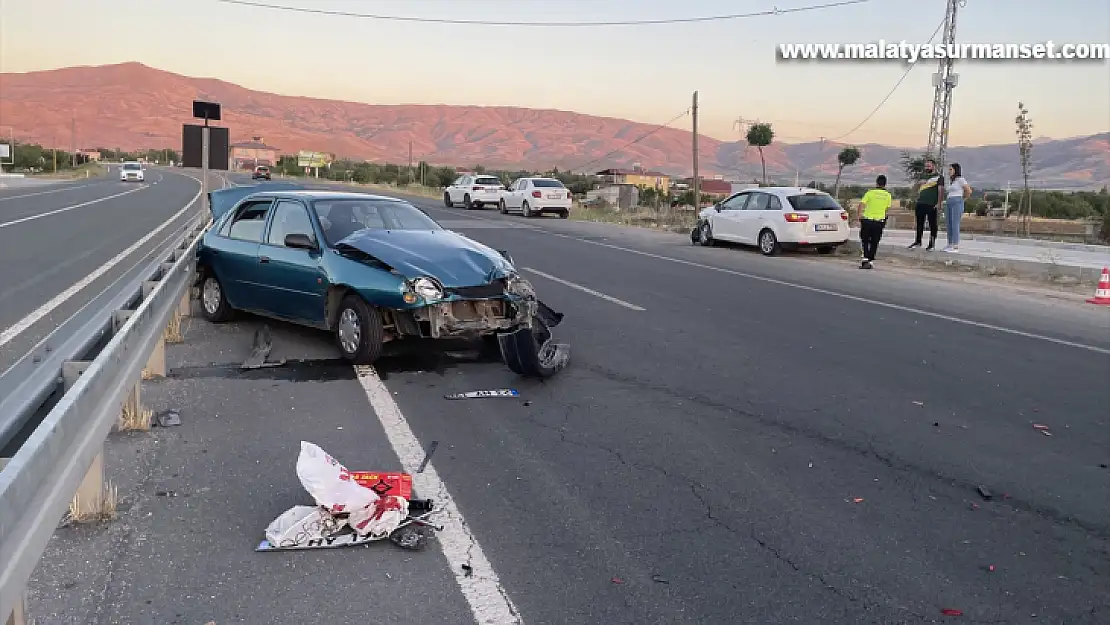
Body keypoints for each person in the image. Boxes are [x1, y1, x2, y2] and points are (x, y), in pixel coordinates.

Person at [857, 175, 892, 269]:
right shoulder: (888, 195)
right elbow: (887, 210)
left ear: (876, 183)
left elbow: (861, 204)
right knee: (875, 241)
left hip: (867, 220)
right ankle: (870, 260)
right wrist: (884, 219)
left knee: (865, 240)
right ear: (885, 184)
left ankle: (865, 259)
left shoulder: (870, 193)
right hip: (879, 222)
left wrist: (859, 215)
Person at [909, 158, 943, 250]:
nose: (927, 167)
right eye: (926, 165)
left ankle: (931, 244)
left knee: (932, 224)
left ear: (934, 166)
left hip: (931, 204)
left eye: (929, 165)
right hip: (920, 203)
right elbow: (914, 189)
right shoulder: (922, 176)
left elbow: (940, 190)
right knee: (919, 223)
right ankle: (918, 241)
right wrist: (918, 184)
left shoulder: (939, 177)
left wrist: (939, 203)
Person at [943, 162, 972, 252]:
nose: (949, 171)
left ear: (956, 170)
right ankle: (950, 244)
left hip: (957, 201)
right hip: (949, 201)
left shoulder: (960, 179)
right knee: (949, 223)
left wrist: (963, 198)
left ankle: (955, 246)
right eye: (949, 169)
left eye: (951, 169)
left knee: (955, 224)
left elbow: (968, 190)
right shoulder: (952, 181)